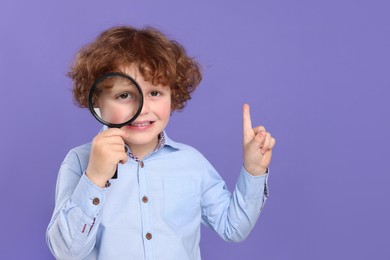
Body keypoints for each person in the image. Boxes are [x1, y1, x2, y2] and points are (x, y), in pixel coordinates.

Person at [46, 25, 276, 260]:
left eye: (155, 93)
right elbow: (67, 253)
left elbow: (233, 228)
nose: (143, 109)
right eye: (124, 95)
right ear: (98, 102)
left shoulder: (192, 163)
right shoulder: (78, 161)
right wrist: (94, 178)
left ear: (172, 96)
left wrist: (253, 171)